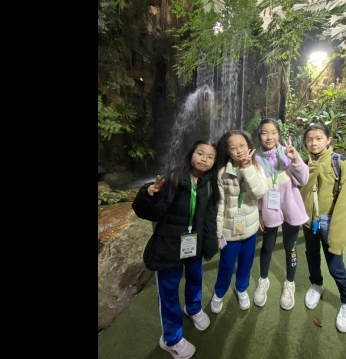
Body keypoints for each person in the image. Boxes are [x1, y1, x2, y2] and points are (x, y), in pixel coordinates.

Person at [131, 140, 220, 359]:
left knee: (195, 278)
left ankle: (193, 307)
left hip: (194, 244)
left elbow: (209, 217)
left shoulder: (209, 183)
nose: (205, 159)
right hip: (169, 246)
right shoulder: (172, 179)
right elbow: (150, 213)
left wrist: (209, 245)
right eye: (201, 153)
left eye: (210, 157)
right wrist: (148, 194)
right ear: (191, 154)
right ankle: (171, 338)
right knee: (169, 291)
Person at [300, 123, 346, 333]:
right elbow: (301, 194)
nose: (313, 143)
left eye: (318, 138)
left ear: (328, 140)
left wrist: (337, 235)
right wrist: (309, 170)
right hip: (309, 221)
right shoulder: (304, 163)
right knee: (312, 255)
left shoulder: (341, 163)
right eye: (309, 139)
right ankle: (316, 284)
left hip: (331, 221)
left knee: (336, 266)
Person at [252, 118, 309, 310]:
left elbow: (303, 179)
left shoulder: (288, 152)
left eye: (273, 132)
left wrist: (295, 159)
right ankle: (263, 280)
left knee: (290, 247)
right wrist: (260, 212)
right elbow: (255, 190)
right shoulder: (255, 159)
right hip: (269, 209)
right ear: (259, 136)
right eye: (264, 133)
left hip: (291, 209)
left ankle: (290, 283)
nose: (269, 137)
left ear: (279, 134)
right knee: (267, 246)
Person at [210, 130, 268, 313]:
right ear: (227, 151)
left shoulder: (256, 168)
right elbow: (220, 205)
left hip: (250, 229)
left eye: (242, 145)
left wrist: (248, 168)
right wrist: (218, 233)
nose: (239, 150)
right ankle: (219, 292)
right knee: (226, 265)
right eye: (233, 147)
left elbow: (259, 193)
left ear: (249, 146)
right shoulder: (222, 174)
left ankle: (241, 289)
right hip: (230, 230)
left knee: (246, 262)